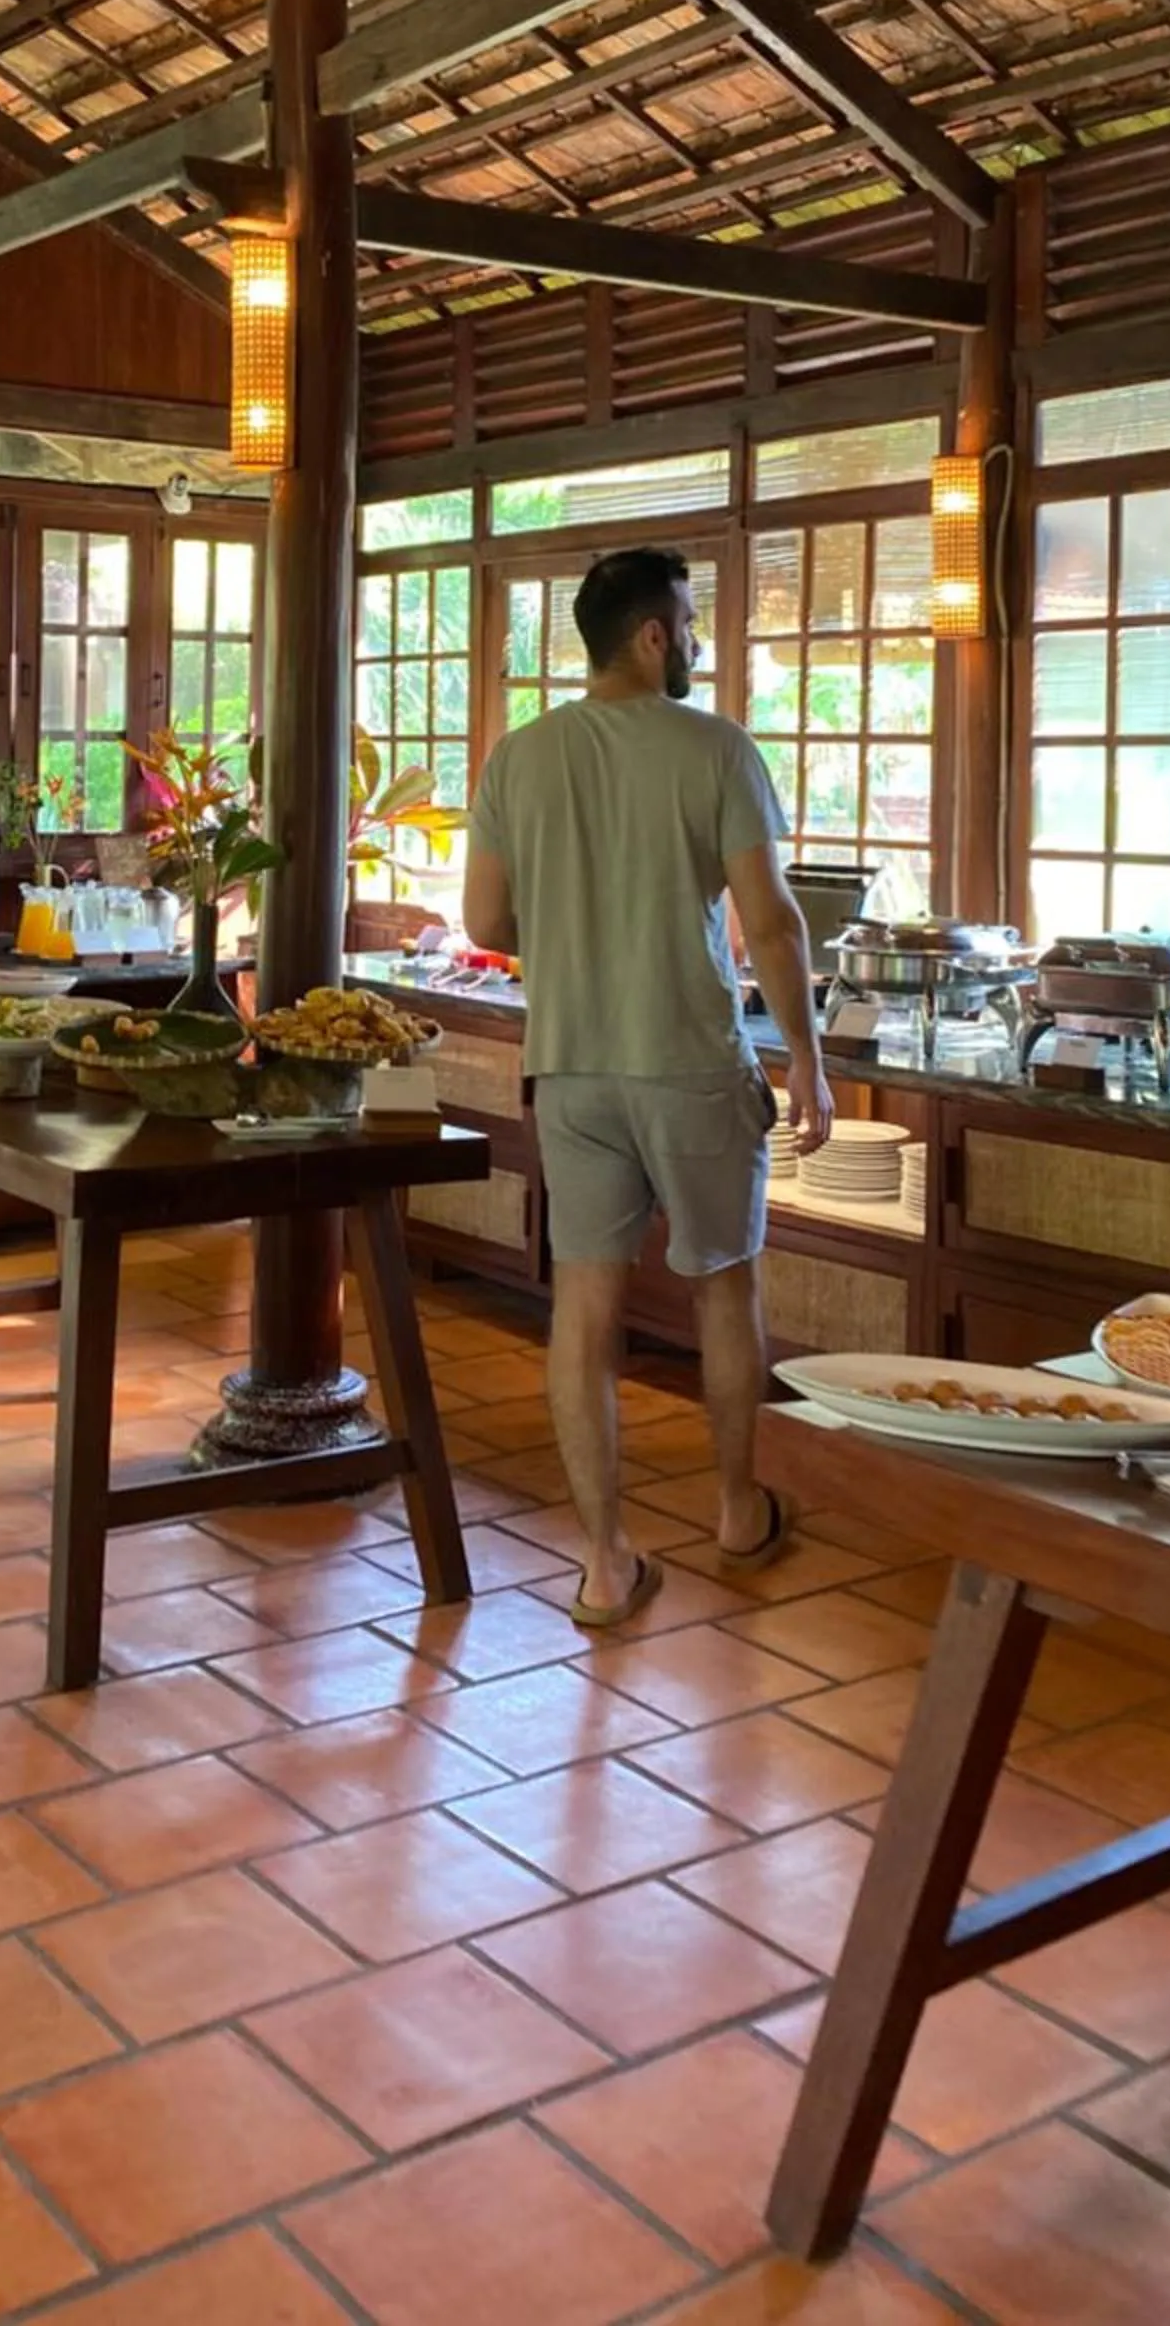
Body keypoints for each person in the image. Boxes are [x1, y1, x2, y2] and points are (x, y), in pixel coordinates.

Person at [463, 545, 834, 1627]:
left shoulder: (519, 759)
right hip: (690, 1061)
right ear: (654, 635)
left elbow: (487, 926)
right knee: (725, 1287)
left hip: (569, 1065)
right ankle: (732, 1509)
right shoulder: (716, 749)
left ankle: (605, 1562)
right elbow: (769, 920)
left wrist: (580, 938)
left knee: (583, 1305)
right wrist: (807, 1058)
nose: (699, 641)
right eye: (691, 621)